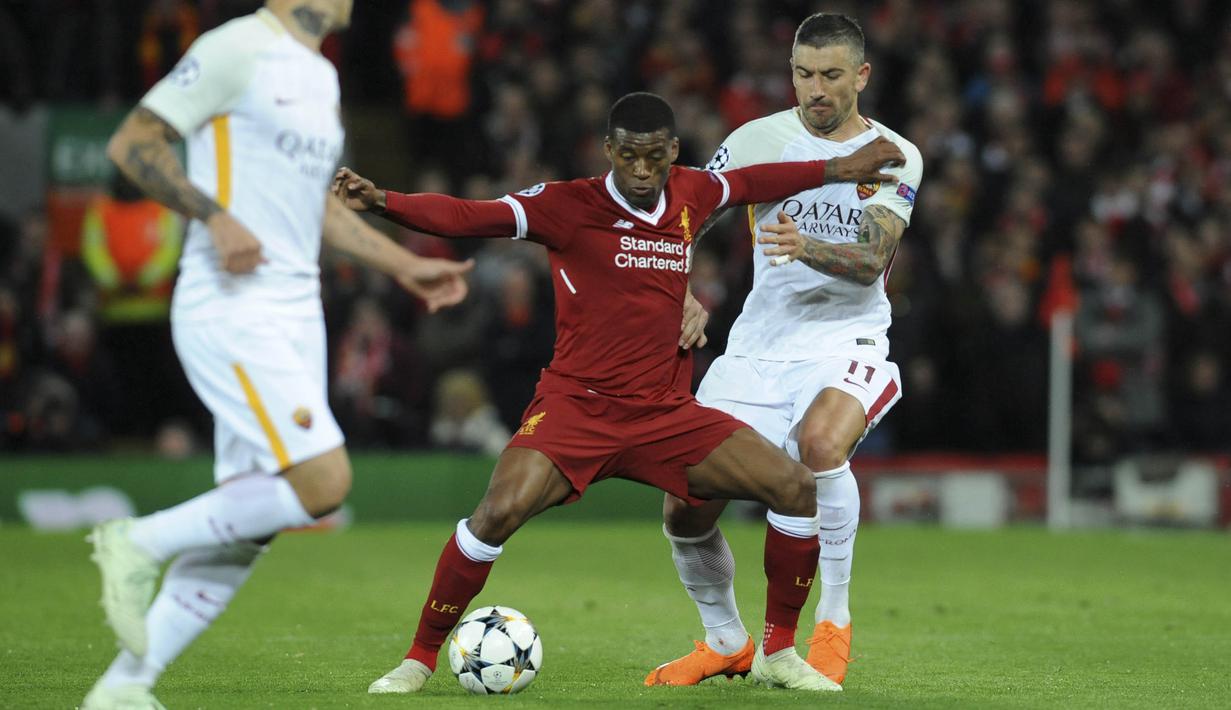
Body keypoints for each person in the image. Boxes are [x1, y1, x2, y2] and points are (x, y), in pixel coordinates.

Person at [333, 91, 904, 693]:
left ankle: (778, 652)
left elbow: (756, 180)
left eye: (653, 156)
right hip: (578, 408)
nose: (640, 169)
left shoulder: (692, 193)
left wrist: (841, 168)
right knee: (494, 514)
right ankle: (418, 659)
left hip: (665, 414)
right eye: (628, 155)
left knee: (793, 488)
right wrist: (382, 201)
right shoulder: (567, 205)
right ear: (609, 151)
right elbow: (470, 215)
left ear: (673, 153)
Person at [82, 2, 473, 709]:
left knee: (249, 525)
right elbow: (133, 143)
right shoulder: (235, 48)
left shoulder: (318, 77)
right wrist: (213, 214)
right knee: (323, 482)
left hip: (294, 312)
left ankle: (124, 688)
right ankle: (136, 539)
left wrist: (403, 265)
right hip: (234, 302)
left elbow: (316, 208)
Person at [644, 13, 923, 688]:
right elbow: (679, 219)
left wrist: (807, 247)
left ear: (860, 75)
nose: (814, 90)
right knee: (685, 504)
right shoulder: (754, 141)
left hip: (845, 340)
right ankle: (725, 641)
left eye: (830, 75)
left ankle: (831, 622)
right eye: (803, 74)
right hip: (758, 347)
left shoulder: (895, 153)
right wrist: (675, 291)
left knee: (820, 446)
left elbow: (869, 260)